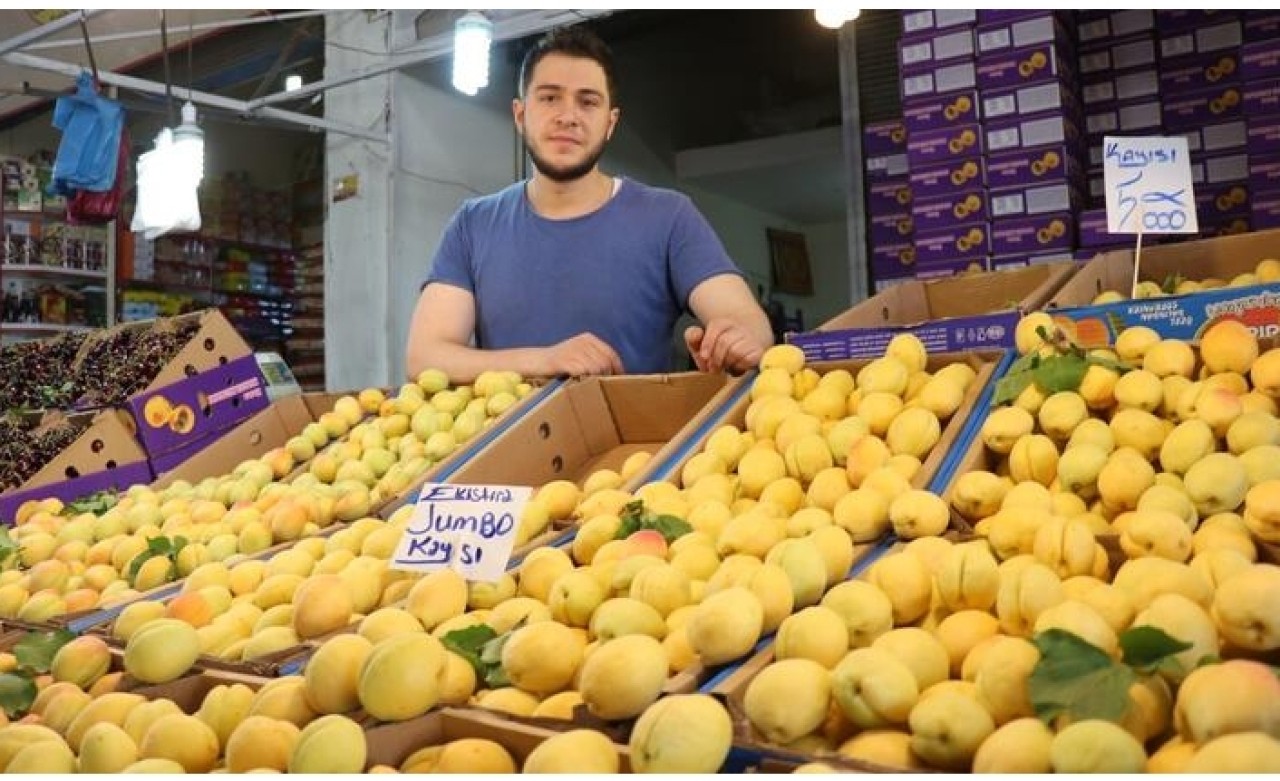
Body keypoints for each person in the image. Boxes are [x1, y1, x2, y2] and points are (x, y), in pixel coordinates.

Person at [405, 24, 773, 384]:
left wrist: (736, 341)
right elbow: (425, 357)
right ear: (520, 115)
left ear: (610, 123)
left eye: (588, 101)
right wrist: (546, 360)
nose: (568, 116)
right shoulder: (473, 225)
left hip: (637, 445)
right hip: (508, 442)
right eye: (549, 98)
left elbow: (750, 325)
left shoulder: (669, 217)